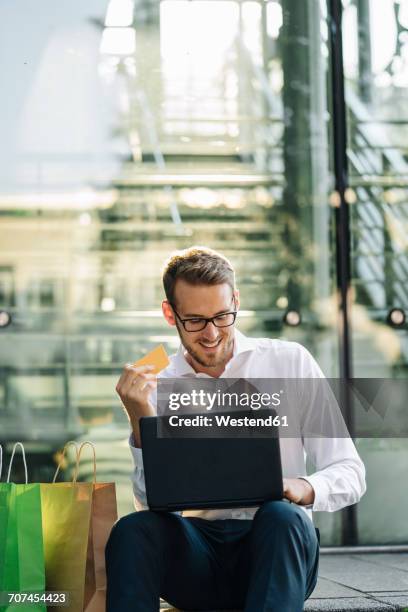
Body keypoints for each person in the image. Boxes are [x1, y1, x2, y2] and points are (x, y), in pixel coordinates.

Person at [106, 246, 366, 612]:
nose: (211, 334)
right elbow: (152, 502)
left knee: (281, 515)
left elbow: (351, 473)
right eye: (195, 320)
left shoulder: (289, 361)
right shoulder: (157, 381)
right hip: (199, 555)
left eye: (222, 316)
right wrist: (140, 419)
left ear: (236, 301)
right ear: (170, 314)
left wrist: (299, 487)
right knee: (131, 529)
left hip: (278, 548)